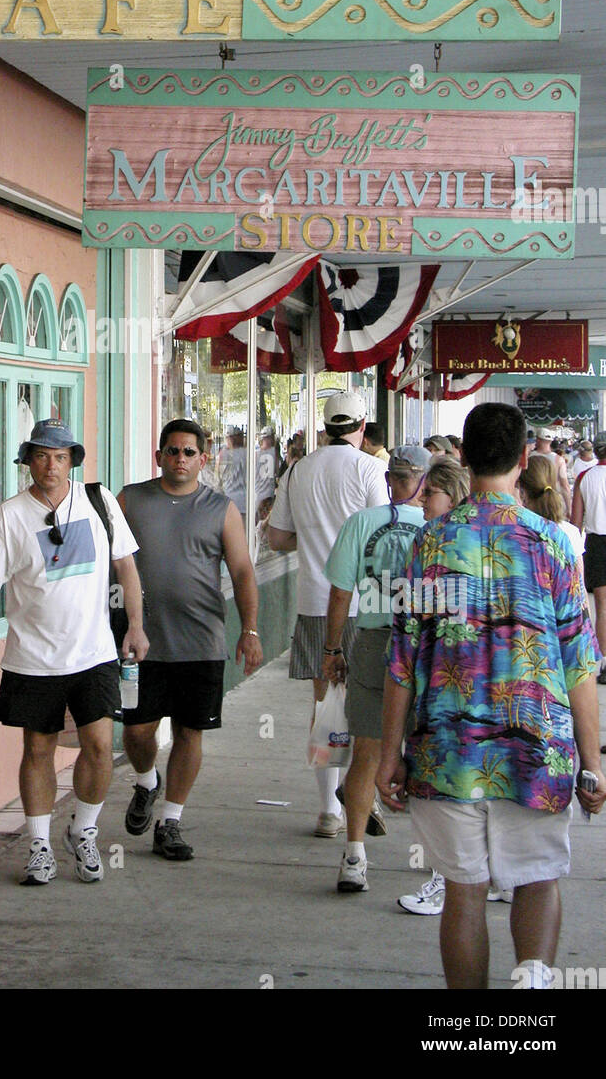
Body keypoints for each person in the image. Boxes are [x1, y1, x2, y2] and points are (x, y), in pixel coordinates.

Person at [377, 402, 606, 990]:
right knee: (537, 879)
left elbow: (403, 661)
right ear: (525, 459)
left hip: (448, 752)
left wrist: (386, 756)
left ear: (460, 459)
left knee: (464, 892)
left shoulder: (429, 543)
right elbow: (581, 664)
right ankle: (530, 989)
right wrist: (593, 761)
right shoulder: (553, 545)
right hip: (538, 750)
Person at [0, 420, 147, 886]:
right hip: (32, 659)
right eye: (42, 456)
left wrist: (137, 626)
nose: (51, 466)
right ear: (28, 462)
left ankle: (83, 831)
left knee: (100, 746)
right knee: (37, 748)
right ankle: (38, 842)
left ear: (72, 462)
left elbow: (126, 566)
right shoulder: (11, 516)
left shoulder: (99, 503)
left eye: (60, 457)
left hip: (94, 654)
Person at [119, 420, 261, 861]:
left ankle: (171, 821)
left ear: (203, 458)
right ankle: (146, 782)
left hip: (200, 642)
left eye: (188, 452)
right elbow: (106, 561)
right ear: (159, 455)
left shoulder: (221, 509)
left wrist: (250, 630)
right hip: (140, 642)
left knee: (190, 732)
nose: (180, 459)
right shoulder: (131, 500)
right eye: (172, 450)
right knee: (138, 731)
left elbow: (241, 572)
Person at [267, 391, 385, 836]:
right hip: (366, 605)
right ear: (360, 426)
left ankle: (328, 811)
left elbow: (278, 538)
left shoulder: (299, 469)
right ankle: (361, 799)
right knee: (368, 709)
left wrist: (316, 541)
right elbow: (380, 530)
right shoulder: (371, 468)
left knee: (326, 708)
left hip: (316, 603)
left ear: (324, 427)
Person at [321, 445, 431, 892]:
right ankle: (438, 861)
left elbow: (340, 594)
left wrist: (332, 650)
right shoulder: (438, 526)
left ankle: (354, 858)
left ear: (390, 479)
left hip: (373, 641)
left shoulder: (361, 524)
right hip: (425, 646)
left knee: (366, 752)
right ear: (424, 481)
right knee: (425, 751)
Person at [395, 456, 470, 917]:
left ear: (453, 496)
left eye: (430, 494)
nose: (421, 501)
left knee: (454, 799)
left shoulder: (432, 544)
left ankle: (447, 880)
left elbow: (406, 645)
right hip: (455, 695)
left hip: (451, 700)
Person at [571, 430, 606, 684]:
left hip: (596, 542)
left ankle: (605, 663)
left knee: (602, 607)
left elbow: (575, 521)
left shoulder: (585, 476)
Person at [534, 427, 570, 508]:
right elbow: (565, 485)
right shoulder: (559, 459)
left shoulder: (529, 457)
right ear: (550, 441)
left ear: (538, 440)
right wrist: (569, 507)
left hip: (533, 502)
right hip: (554, 502)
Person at [216, 425, 247, 517]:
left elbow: (217, 480)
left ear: (230, 439)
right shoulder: (248, 453)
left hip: (228, 501)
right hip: (246, 502)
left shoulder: (222, 454)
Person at [255, 427, 278, 520]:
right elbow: (276, 470)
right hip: (269, 494)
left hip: (257, 493)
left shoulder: (255, 454)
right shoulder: (274, 452)